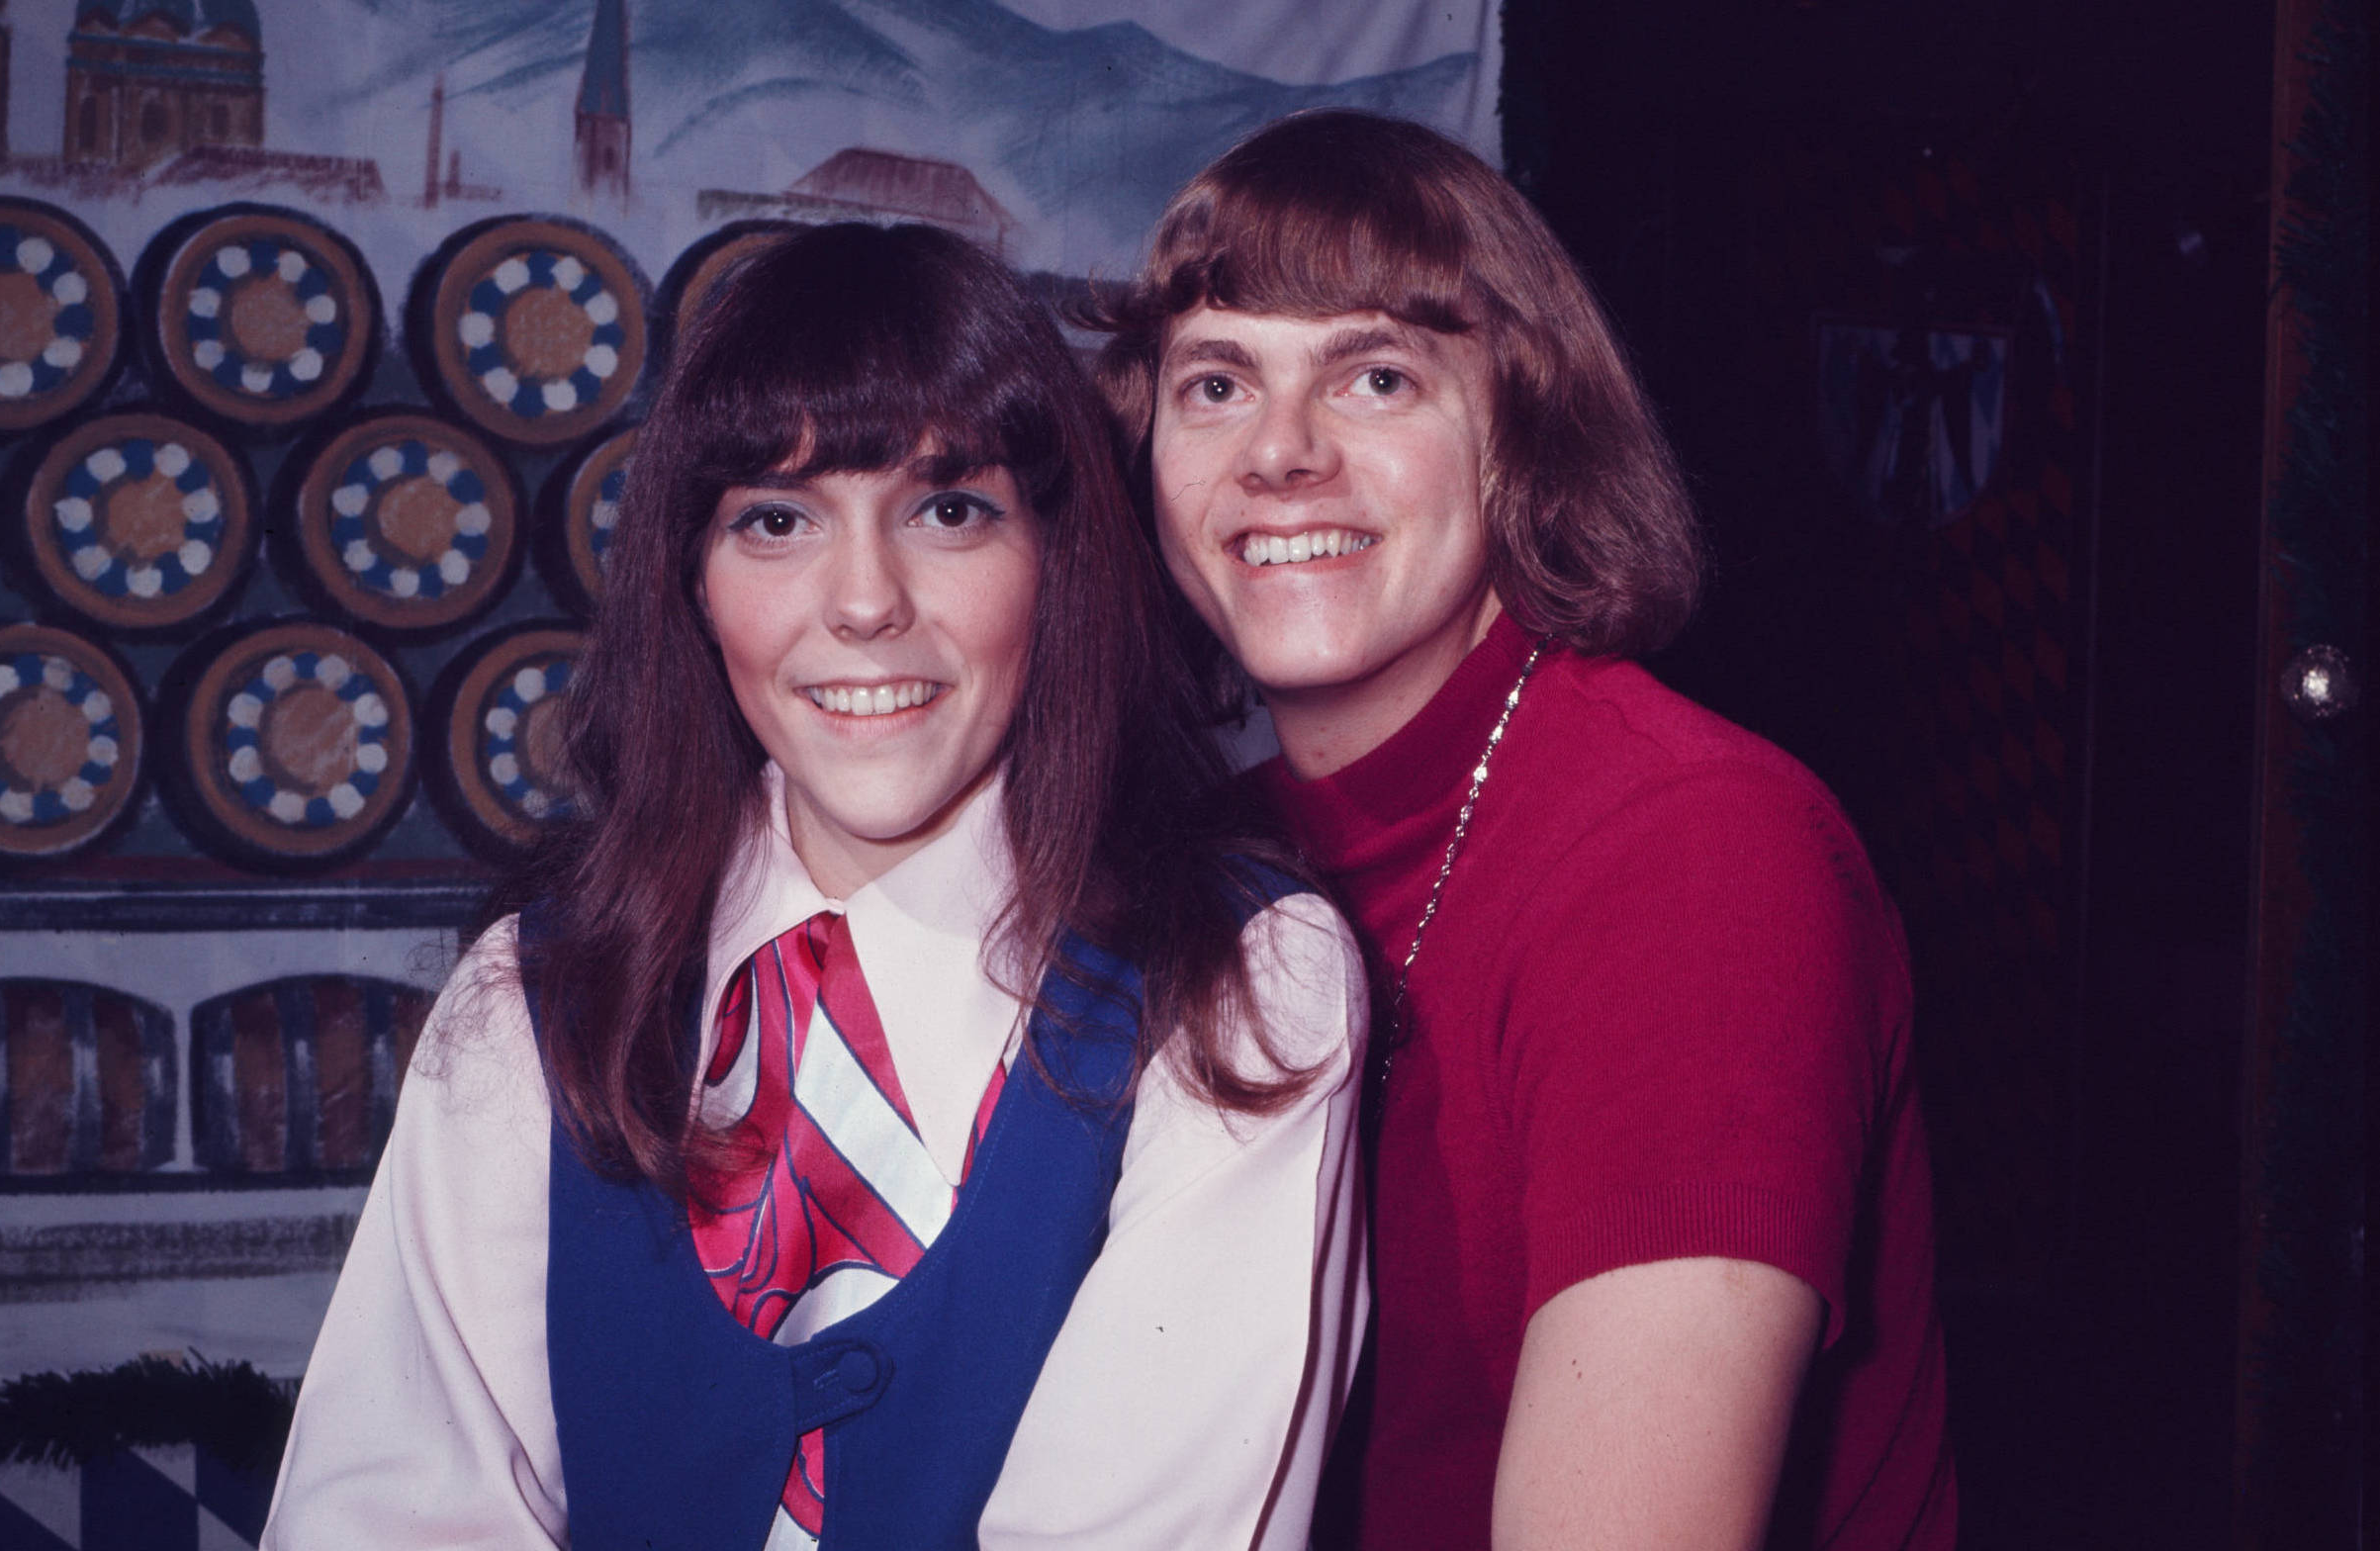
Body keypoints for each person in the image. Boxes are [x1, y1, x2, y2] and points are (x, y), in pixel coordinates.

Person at [263, 223, 1367, 1550]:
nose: (862, 602)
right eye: (775, 521)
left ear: (1055, 562)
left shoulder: (1238, 986)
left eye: (947, 511)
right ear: (693, 580)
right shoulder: (537, 994)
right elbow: (391, 1516)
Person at [1095, 111, 1955, 1550]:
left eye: (1375, 376)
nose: (1279, 453)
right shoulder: (1198, 863)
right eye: (1216, 384)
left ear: (1524, 435)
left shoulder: (1691, 852)